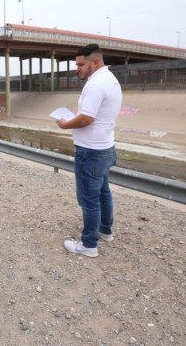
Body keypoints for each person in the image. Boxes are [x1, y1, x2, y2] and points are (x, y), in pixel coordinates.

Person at [57, 44, 122, 258]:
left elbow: (86, 118)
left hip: (91, 152)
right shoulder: (111, 79)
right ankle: (105, 230)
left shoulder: (95, 84)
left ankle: (88, 244)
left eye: (81, 64)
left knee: (88, 199)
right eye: (77, 64)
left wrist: (66, 124)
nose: (78, 68)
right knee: (103, 192)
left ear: (95, 61)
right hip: (104, 147)